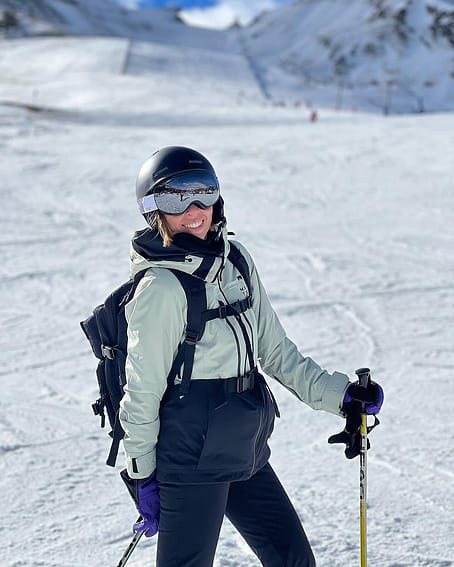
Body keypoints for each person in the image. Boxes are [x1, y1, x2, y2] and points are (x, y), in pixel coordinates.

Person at [119, 146, 384, 567]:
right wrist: (141, 473)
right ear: (154, 210)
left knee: (294, 561)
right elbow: (142, 392)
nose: (193, 210)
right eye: (175, 199)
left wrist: (342, 396)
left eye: (203, 193)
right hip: (190, 460)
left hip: (244, 446)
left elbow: (275, 350)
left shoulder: (236, 262)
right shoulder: (161, 289)